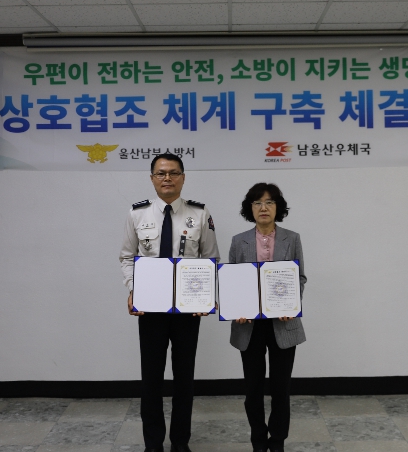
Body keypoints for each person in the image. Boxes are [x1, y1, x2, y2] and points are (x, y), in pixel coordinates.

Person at [119, 153, 220, 452]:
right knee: (151, 379)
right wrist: (134, 289)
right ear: (152, 178)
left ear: (183, 178)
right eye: (161, 173)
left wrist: (205, 296)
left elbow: (211, 258)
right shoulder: (137, 214)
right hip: (150, 308)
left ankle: (180, 442)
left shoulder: (199, 213)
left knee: (184, 379)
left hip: (188, 310)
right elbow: (127, 257)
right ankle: (153, 444)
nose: (167, 178)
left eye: (174, 173)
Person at [228, 183, 306, 452]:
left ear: (278, 207)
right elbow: (232, 281)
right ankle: (258, 440)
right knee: (253, 389)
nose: (264, 208)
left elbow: (300, 277)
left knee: (281, 389)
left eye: (270, 202)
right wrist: (236, 308)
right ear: (250, 208)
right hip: (249, 326)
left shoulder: (292, 238)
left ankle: (278, 440)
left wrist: (291, 304)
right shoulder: (238, 240)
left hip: (283, 324)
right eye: (258, 203)